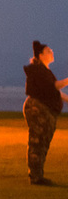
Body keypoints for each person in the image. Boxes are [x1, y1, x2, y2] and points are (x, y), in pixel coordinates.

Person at [23, 40, 68, 185]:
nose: (52, 52)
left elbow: (53, 90)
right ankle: (36, 177)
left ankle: (38, 175)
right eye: (49, 51)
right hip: (37, 109)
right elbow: (54, 86)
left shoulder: (45, 71)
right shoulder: (39, 71)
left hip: (44, 109)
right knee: (37, 141)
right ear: (41, 55)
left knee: (42, 142)